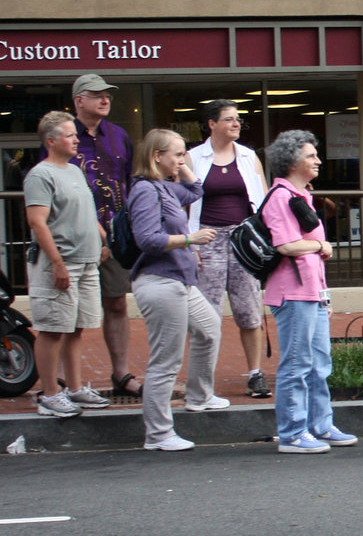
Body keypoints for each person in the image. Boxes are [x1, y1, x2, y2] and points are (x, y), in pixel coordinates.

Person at [124, 129, 224, 452]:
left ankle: (199, 396)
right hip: (160, 281)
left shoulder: (164, 187)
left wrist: (180, 167)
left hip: (180, 280)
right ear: (157, 156)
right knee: (165, 361)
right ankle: (158, 434)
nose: (183, 160)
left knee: (209, 328)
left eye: (183, 155)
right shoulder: (144, 191)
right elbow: (147, 239)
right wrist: (188, 240)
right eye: (177, 155)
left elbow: (196, 189)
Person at [262, 130, 356, 454]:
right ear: (291, 162)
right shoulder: (280, 197)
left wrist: (324, 295)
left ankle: (320, 425)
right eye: (310, 155)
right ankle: (292, 433)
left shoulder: (302, 196)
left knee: (319, 363)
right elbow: (286, 245)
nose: (318, 160)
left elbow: (313, 256)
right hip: (293, 292)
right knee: (298, 364)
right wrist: (320, 244)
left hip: (311, 291)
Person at [23, 111, 111, 417]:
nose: (76, 139)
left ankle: (74, 388)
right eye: (70, 135)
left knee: (76, 327)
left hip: (86, 262)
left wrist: (101, 238)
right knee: (51, 329)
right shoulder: (40, 175)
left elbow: (87, 211)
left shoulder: (74, 171)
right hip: (60, 263)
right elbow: (38, 222)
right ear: (51, 140)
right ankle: (49, 393)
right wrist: (57, 263)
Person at [188, 100, 271, 399]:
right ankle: (203, 377)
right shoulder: (193, 157)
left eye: (238, 119)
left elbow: (262, 201)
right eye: (229, 119)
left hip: (241, 239)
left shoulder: (249, 157)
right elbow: (183, 202)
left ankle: (255, 373)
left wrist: (263, 239)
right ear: (211, 124)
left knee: (249, 309)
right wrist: (189, 242)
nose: (236, 124)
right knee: (205, 313)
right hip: (206, 239)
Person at [69, 74, 141, 401]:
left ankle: (121, 373)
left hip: (114, 233)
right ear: (78, 100)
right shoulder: (64, 136)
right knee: (72, 310)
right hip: (75, 234)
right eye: (96, 95)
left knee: (116, 302)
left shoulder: (119, 136)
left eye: (107, 95)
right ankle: (65, 380)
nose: (105, 100)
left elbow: (129, 180)